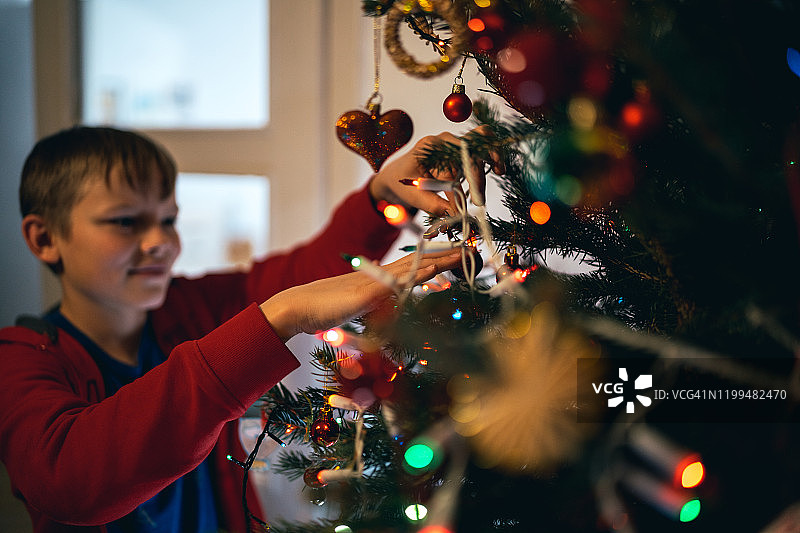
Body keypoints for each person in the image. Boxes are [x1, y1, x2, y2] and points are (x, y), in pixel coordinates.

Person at [0, 125, 499, 532]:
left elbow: (307, 270)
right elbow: (70, 479)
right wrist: (280, 316)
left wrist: (381, 194)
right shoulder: (19, 359)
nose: (160, 243)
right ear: (45, 238)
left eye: (169, 220)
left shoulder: (192, 306)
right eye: (127, 222)